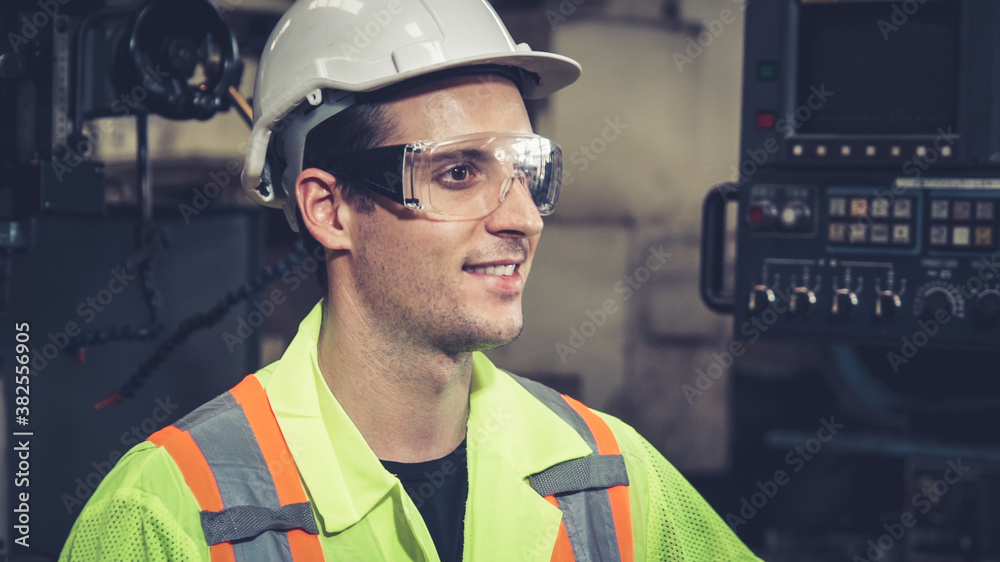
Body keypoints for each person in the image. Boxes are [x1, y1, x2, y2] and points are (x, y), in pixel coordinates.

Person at [60, 0, 762, 560]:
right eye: (458, 174)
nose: (521, 217)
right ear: (329, 209)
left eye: (528, 174)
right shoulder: (167, 514)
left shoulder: (612, 475)